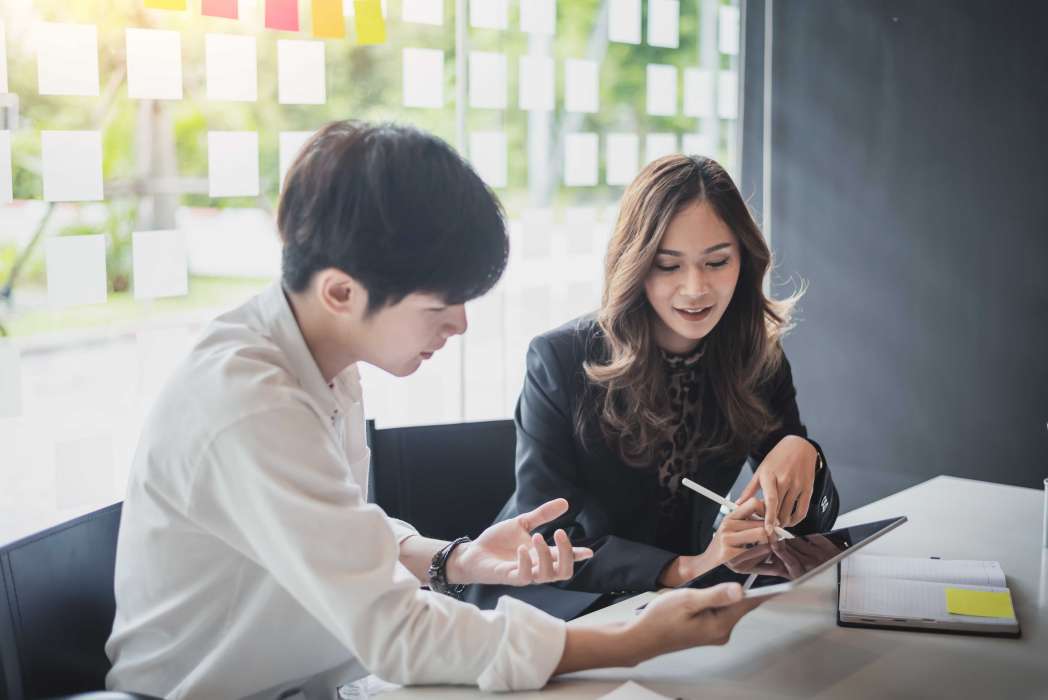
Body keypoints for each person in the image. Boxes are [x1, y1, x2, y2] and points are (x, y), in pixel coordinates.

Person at [105, 122, 762, 699]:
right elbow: (399, 634)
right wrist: (631, 640)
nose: (461, 325)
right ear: (341, 291)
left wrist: (457, 560)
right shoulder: (249, 403)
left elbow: (332, 529)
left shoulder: (315, 360)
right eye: (440, 304)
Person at [471, 154, 840, 615]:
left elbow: (805, 530)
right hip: (552, 601)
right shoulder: (559, 359)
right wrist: (684, 568)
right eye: (669, 266)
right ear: (636, 264)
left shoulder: (755, 357)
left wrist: (805, 453)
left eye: (717, 262)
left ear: (744, 261)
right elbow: (547, 541)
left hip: (676, 602)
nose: (695, 289)